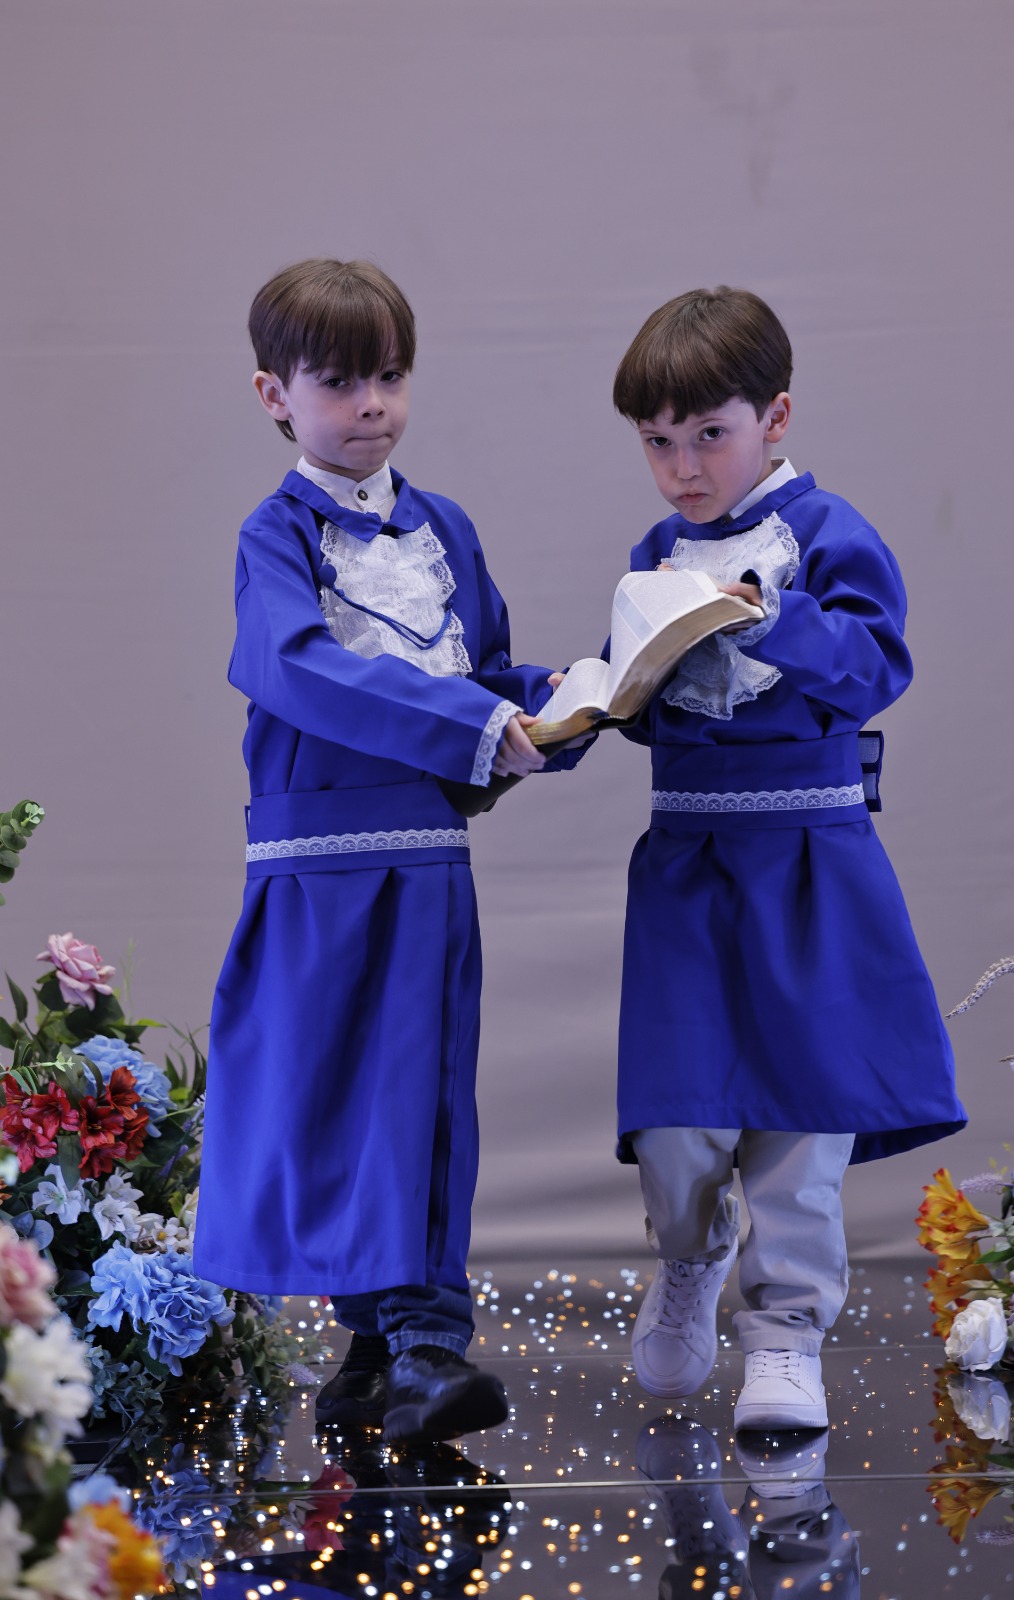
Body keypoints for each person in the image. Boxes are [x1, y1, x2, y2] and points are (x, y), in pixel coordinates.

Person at [193, 257, 556, 1444]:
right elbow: (297, 667)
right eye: (340, 382)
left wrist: (572, 699)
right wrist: (475, 723)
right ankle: (375, 1335)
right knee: (326, 1099)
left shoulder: (445, 529)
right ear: (274, 394)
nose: (372, 406)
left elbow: (482, 675)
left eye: (390, 376)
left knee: (418, 1094)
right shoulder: (274, 536)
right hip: (313, 866)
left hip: (418, 860)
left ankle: (422, 1343)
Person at [608, 286, 966, 1430]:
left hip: (807, 857)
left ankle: (786, 1331)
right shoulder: (655, 553)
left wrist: (771, 617)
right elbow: (651, 701)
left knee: (801, 1115)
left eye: (708, 434)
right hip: (687, 860)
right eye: (657, 442)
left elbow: (875, 666)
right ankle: (690, 1253)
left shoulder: (825, 533)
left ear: (775, 416)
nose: (682, 469)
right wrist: (596, 698)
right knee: (675, 1113)